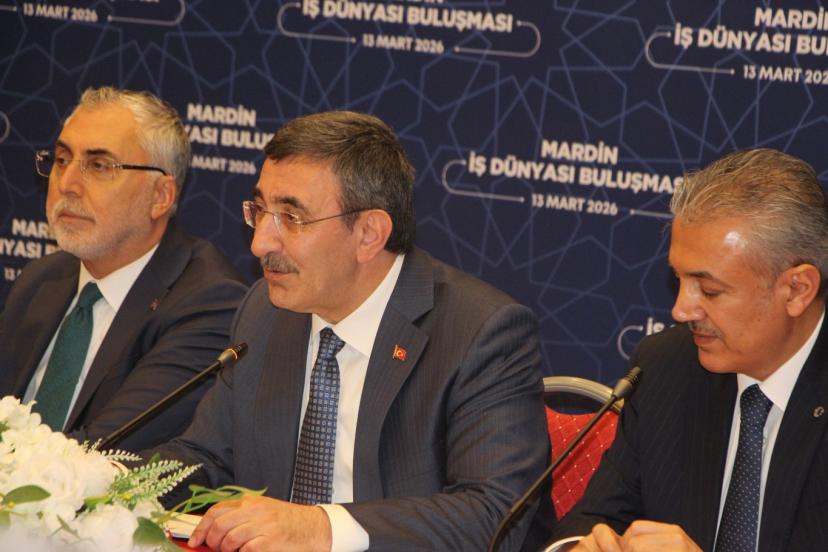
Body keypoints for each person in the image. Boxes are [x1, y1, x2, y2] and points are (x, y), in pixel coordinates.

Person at [148, 110, 549, 551]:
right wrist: (107, 482)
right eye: (260, 210)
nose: (260, 242)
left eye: (291, 217)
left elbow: (493, 513)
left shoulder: (480, 332)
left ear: (369, 234)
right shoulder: (266, 309)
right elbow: (207, 456)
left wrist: (319, 527)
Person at [549, 148, 828, 551]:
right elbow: (597, 518)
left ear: (797, 290)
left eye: (709, 290)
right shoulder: (665, 367)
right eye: (678, 279)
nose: (680, 310)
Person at [0, 86, 248, 451]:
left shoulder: (208, 303)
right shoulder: (41, 278)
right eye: (62, 159)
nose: (66, 184)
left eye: (99, 166)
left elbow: (102, 451)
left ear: (160, 196)